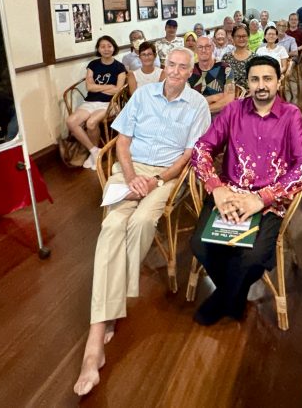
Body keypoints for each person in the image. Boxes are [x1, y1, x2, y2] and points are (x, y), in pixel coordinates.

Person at [73, 48, 210, 397]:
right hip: (129, 172)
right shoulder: (144, 94)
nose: (177, 71)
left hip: (163, 179)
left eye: (184, 67)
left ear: (191, 72)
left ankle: (109, 308)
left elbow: (188, 155)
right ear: (164, 68)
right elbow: (122, 141)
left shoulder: (198, 105)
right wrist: (132, 176)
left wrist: (154, 181)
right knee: (112, 226)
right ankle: (95, 339)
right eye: (172, 65)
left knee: (143, 221)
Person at [190, 55, 302, 325]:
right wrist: (216, 188)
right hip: (229, 194)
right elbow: (202, 148)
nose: (261, 85)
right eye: (255, 79)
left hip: (268, 200)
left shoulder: (291, 115)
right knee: (199, 245)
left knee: (253, 257)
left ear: (278, 81)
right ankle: (232, 296)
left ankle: (223, 297)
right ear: (247, 82)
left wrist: (262, 198)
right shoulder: (233, 110)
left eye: (267, 78)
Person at [66, 35, 127, 170]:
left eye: (109, 46)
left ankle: (93, 153)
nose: (106, 49)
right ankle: (94, 151)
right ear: (98, 49)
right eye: (102, 46)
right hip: (90, 101)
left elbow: (117, 90)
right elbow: (89, 87)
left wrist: (99, 88)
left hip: (109, 104)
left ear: (114, 48)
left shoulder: (120, 67)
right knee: (71, 121)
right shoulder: (93, 65)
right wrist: (108, 87)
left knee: (91, 123)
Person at [189, 35, 235, 115]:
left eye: (207, 46)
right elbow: (188, 103)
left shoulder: (226, 68)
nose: (204, 50)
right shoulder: (189, 71)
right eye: (200, 47)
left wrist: (200, 111)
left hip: (220, 118)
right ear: (196, 50)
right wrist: (214, 98)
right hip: (196, 121)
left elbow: (229, 100)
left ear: (213, 48)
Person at [222, 24, 254, 92]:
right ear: (233, 38)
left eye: (244, 36)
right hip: (230, 95)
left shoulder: (255, 58)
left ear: (248, 37)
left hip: (251, 95)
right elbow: (222, 80)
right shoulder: (226, 58)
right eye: (238, 36)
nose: (241, 39)